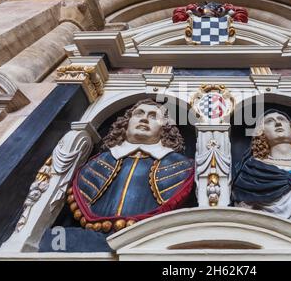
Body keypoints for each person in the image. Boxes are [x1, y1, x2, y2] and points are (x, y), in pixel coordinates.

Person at [67, 99, 195, 233]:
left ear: (165, 127)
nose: (144, 119)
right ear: (126, 123)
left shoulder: (181, 166)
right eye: (139, 114)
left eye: (153, 116)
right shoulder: (97, 163)